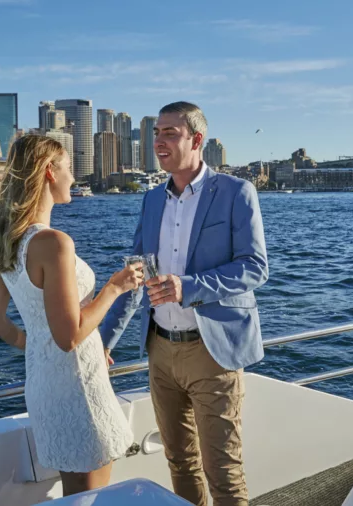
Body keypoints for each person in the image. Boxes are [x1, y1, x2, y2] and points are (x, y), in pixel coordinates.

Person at [100, 102, 269, 506]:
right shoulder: (152, 200)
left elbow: (255, 267)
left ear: (197, 140)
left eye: (170, 133)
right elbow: (136, 273)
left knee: (223, 473)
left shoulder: (235, 192)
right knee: (179, 462)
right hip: (159, 350)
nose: (158, 140)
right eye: (156, 132)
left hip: (211, 350)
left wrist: (188, 286)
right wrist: (105, 341)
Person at [0, 135, 141, 496]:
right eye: (69, 169)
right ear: (49, 173)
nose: (74, 178)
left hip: (44, 385)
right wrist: (115, 288)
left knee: (79, 491)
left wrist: (37, 346)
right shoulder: (53, 243)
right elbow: (68, 337)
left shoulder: (5, 240)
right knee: (89, 496)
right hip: (77, 388)